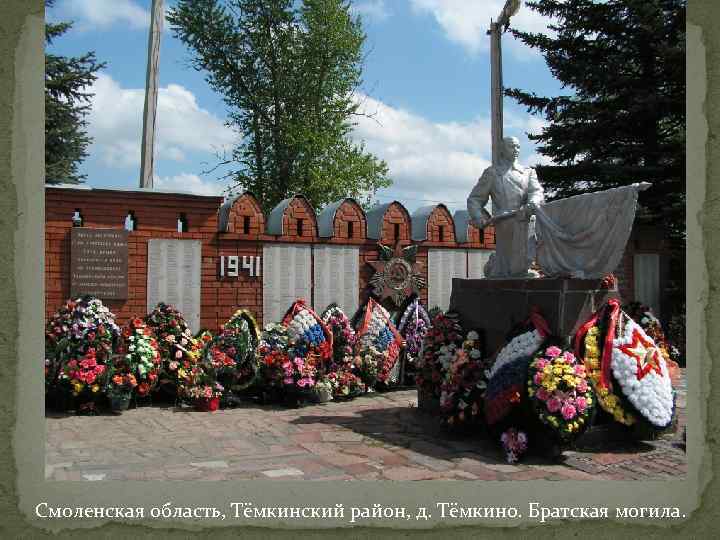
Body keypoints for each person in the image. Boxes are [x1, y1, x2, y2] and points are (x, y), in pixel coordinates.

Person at [467, 136, 544, 278]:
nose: (516, 150)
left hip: (525, 217)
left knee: (526, 251)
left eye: (518, 147)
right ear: (502, 149)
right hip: (505, 220)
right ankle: (506, 271)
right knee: (508, 256)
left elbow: (537, 191)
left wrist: (533, 202)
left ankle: (520, 271)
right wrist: (477, 217)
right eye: (511, 146)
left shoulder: (528, 172)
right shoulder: (493, 173)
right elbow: (475, 199)